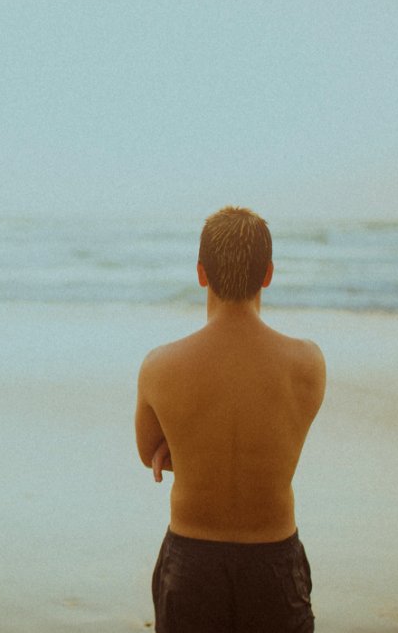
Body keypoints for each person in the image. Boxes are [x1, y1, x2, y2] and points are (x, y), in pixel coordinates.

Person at [135, 207, 326, 632]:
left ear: (201, 273)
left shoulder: (160, 365)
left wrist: (187, 443)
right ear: (269, 274)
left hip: (192, 558)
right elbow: (281, 430)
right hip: (274, 559)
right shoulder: (307, 363)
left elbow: (148, 451)